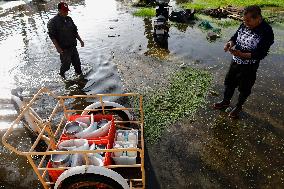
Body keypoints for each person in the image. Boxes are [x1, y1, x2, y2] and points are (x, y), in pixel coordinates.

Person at [213, 5, 274, 118]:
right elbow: (235, 36)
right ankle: (226, 101)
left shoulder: (266, 31)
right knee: (229, 82)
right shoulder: (245, 24)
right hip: (235, 61)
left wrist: (242, 55)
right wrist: (230, 43)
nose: (245, 23)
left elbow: (262, 53)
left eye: (248, 21)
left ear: (258, 18)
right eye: (244, 21)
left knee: (244, 88)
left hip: (249, 66)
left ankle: (238, 106)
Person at [47, 2, 85, 79]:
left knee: (77, 64)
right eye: (64, 11)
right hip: (64, 49)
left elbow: (75, 31)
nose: (66, 12)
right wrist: (58, 48)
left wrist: (80, 40)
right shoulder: (53, 22)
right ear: (59, 10)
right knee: (66, 65)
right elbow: (52, 36)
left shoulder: (69, 19)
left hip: (73, 47)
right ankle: (61, 75)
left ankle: (80, 79)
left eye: (67, 10)